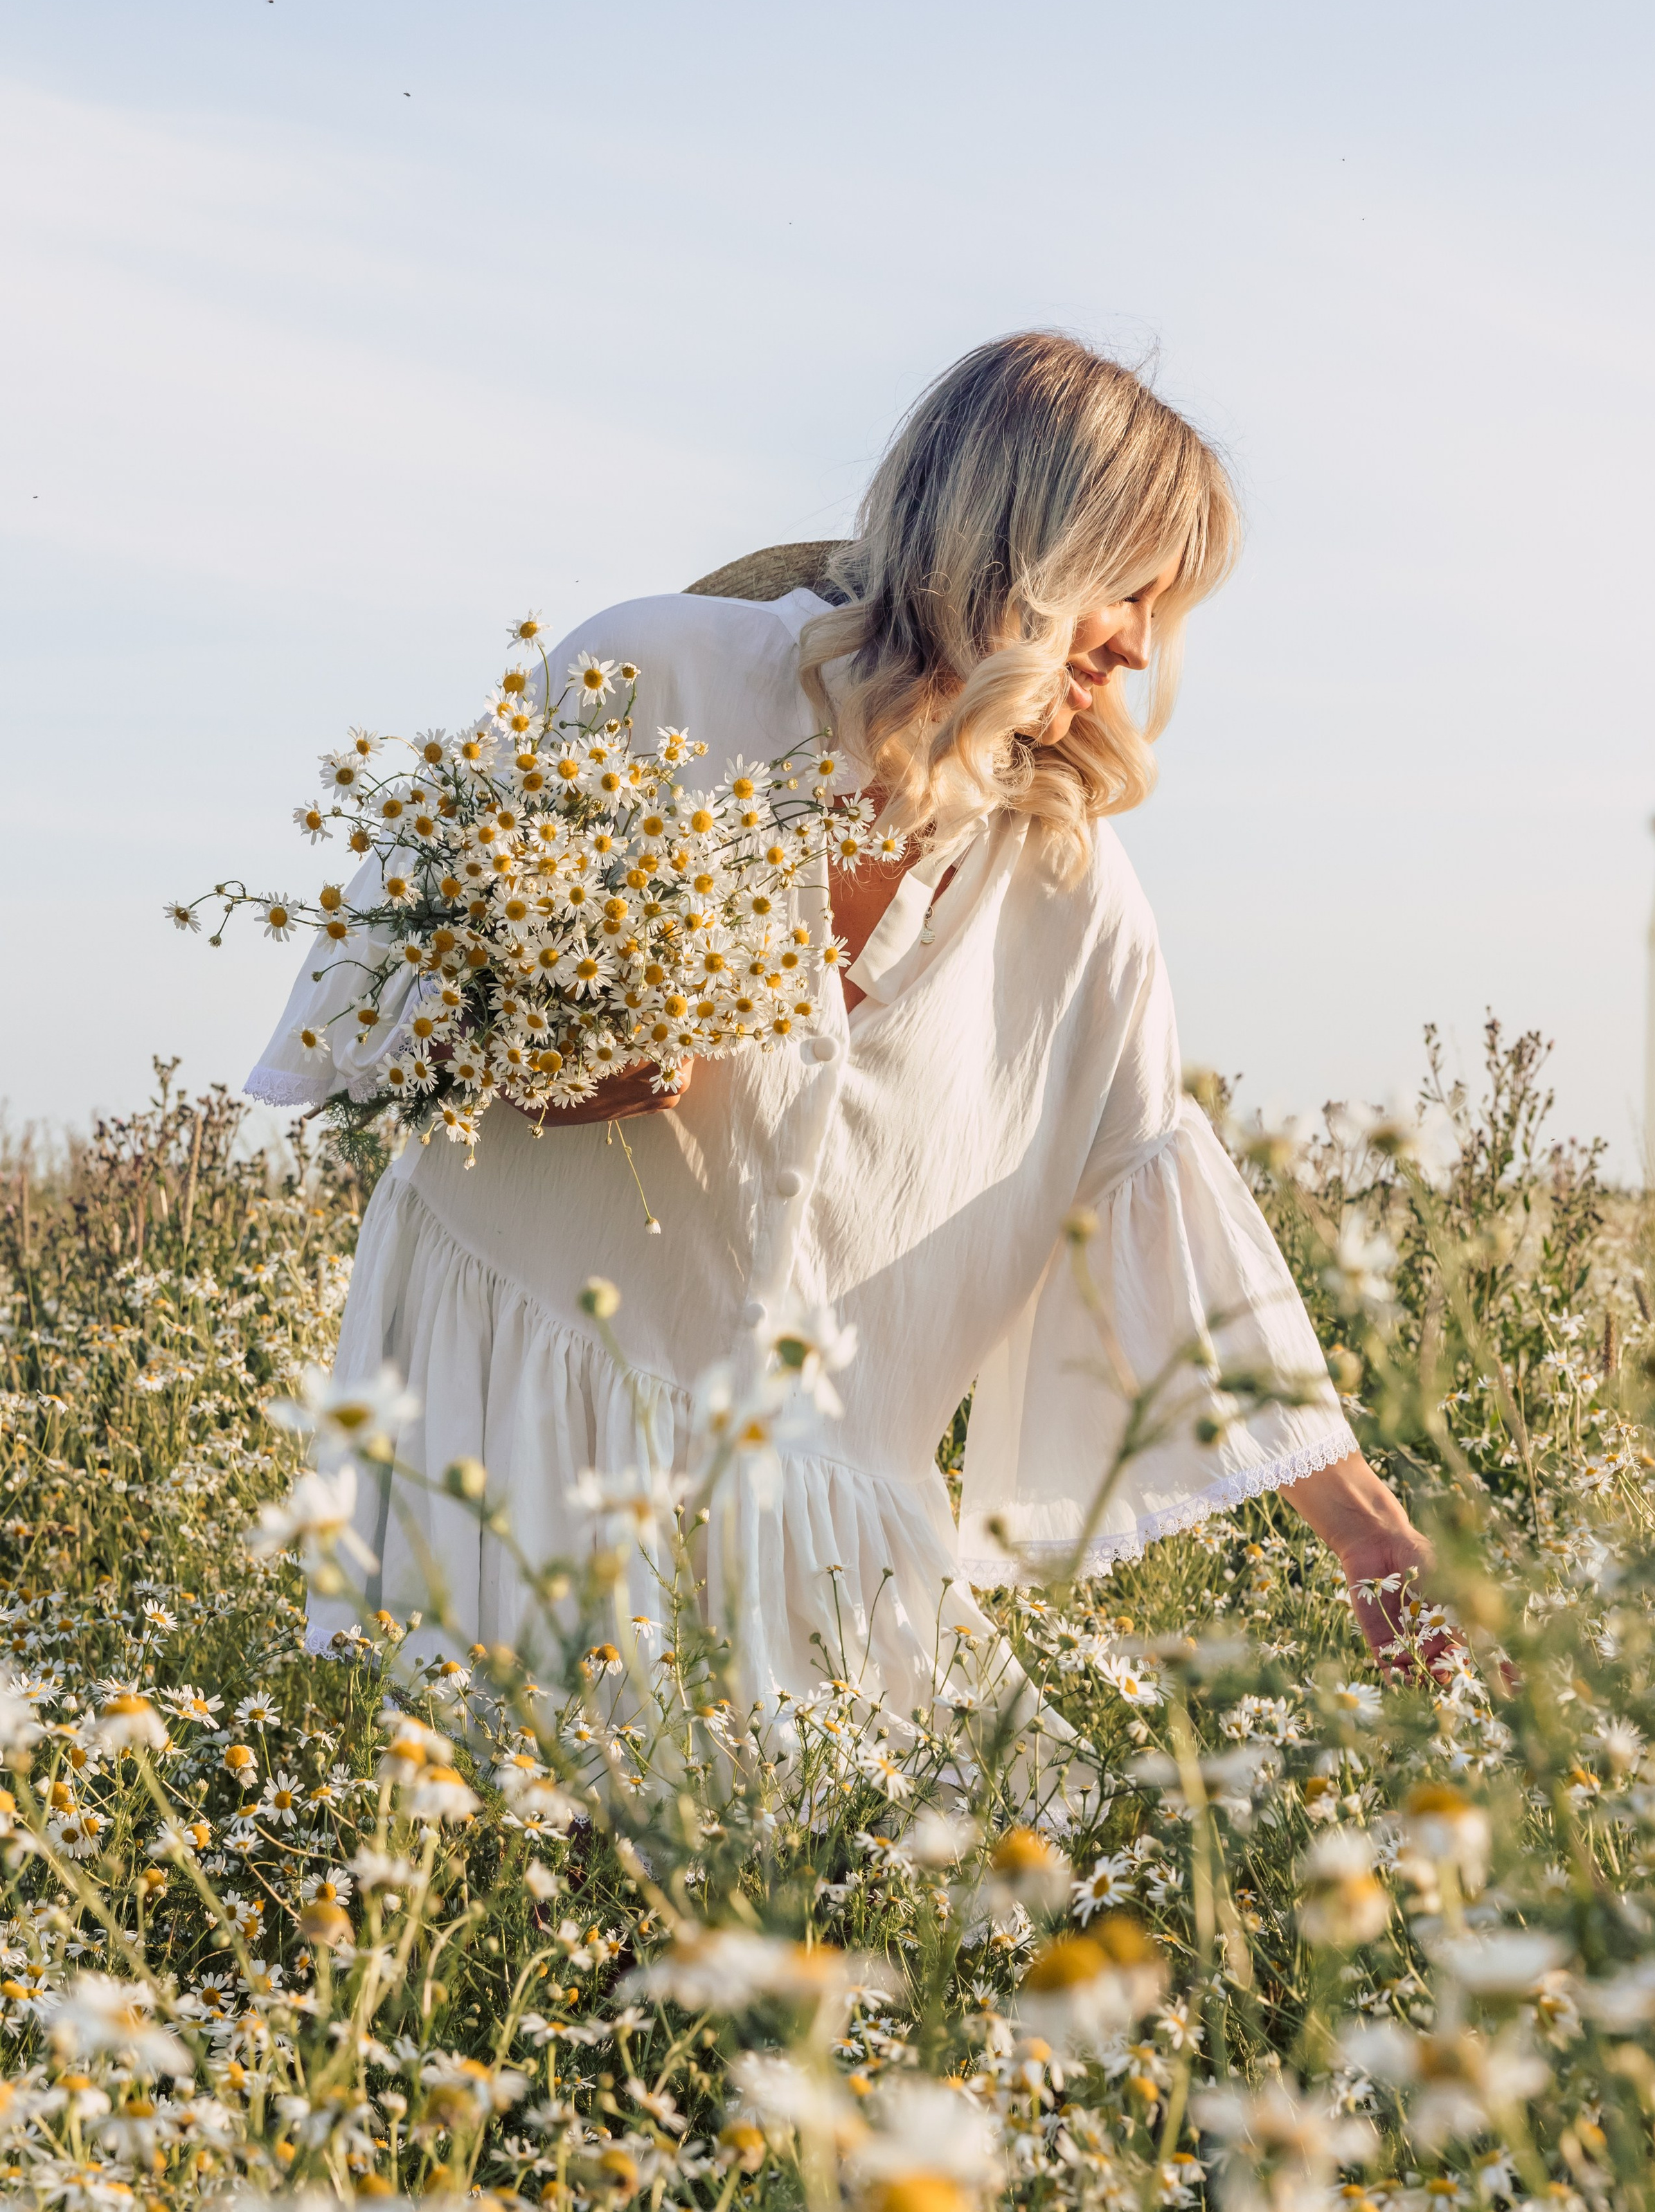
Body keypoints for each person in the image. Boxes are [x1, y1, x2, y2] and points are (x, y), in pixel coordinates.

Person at [247, 332, 1431, 1714]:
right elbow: (379, 1010)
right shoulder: (653, 679)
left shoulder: (1070, 890)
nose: (1138, 646)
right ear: (1016, 548)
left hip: (821, 1544)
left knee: (914, 1904)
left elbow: (1152, 1197)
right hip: (506, 1433)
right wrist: (539, 1073)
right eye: (1125, 588)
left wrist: (1361, 1528)